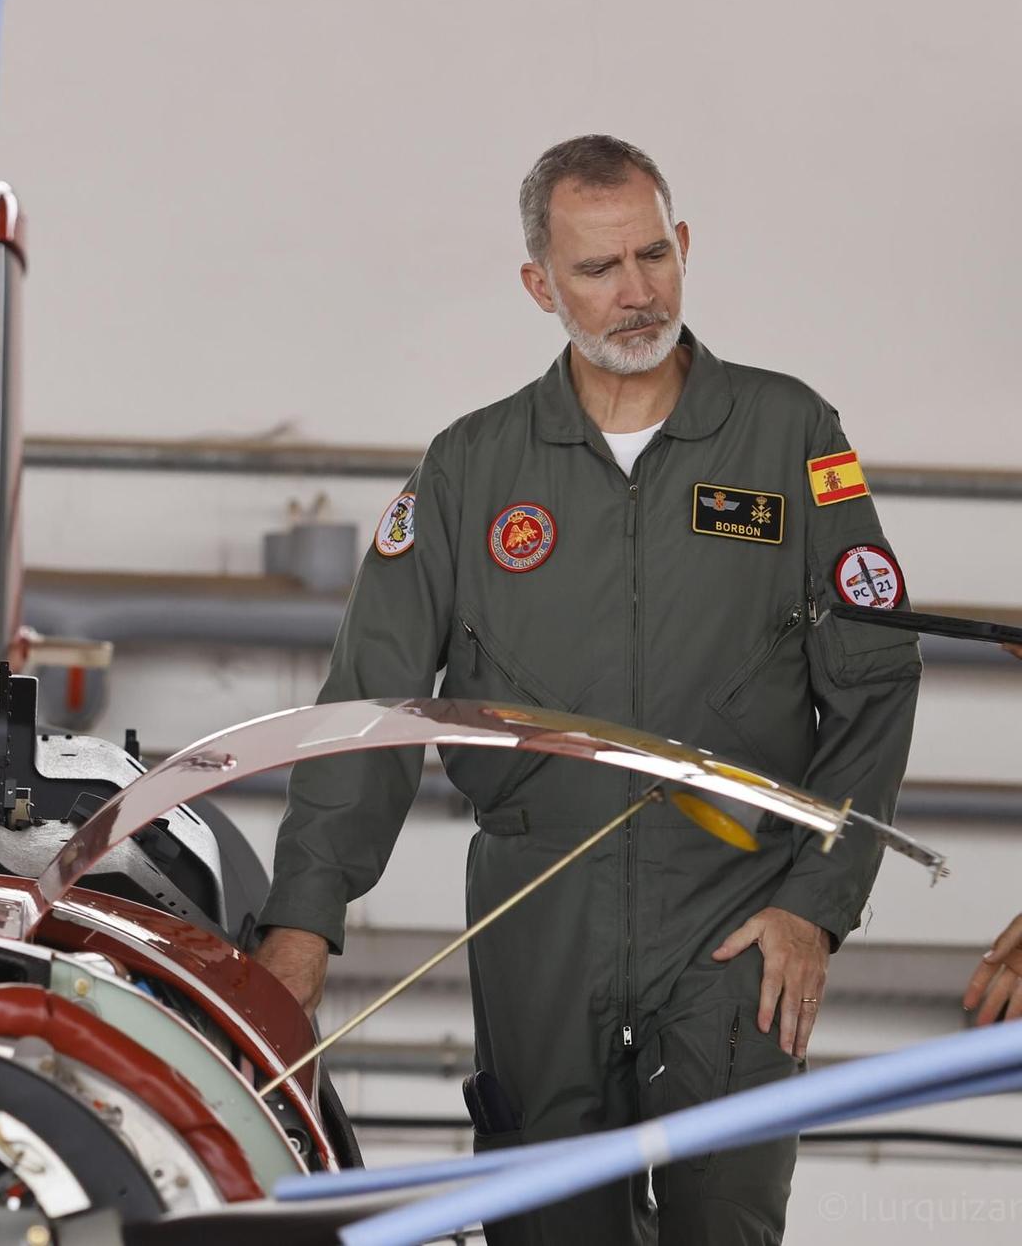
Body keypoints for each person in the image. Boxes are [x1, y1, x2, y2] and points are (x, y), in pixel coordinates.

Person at [254, 135, 923, 1243]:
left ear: (684, 246)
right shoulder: (470, 467)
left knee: (724, 1223)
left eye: (652, 256)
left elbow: (871, 682)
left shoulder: (787, 435)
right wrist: (301, 923)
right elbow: (371, 702)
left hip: (732, 923)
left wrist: (813, 906)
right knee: (541, 1225)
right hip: (537, 925)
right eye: (596, 269)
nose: (634, 293)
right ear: (538, 284)